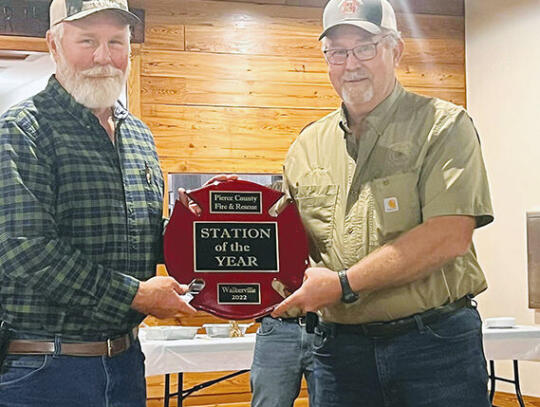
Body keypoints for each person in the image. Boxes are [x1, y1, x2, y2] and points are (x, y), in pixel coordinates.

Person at [272, 0, 494, 406]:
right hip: (339, 355)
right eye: (337, 52)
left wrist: (342, 285)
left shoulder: (444, 127)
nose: (350, 63)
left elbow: (449, 236)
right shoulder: (306, 146)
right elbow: (284, 245)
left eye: (365, 47)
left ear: (396, 50)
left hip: (434, 348)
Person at [0, 1, 195, 406]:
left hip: (125, 365)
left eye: (115, 42)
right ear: (54, 44)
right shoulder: (21, 130)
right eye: (87, 41)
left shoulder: (138, 135)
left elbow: (139, 234)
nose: (103, 57)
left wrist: (221, 241)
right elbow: (27, 251)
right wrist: (136, 295)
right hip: (43, 370)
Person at [178, 177, 316, 407]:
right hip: (277, 328)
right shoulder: (263, 235)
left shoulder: (313, 231)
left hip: (325, 328)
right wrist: (208, 206)